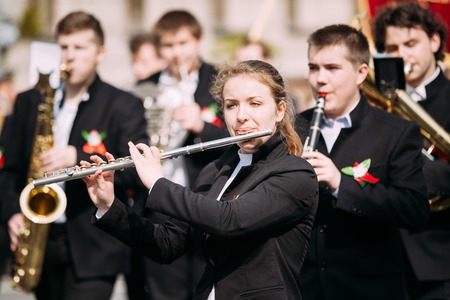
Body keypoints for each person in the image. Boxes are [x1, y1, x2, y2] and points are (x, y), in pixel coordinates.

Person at [81, 59, 318, 299]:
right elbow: (167, 244)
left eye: (255, 104)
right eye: (231, 105)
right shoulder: (215, 171)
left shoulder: (295, 173)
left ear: (279, 111)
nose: (241, 116)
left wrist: (158, 184)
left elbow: (230, 220)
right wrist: (108, 205)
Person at [0, 11, 148, 300]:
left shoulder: (123, 104)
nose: (70, 56)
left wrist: (76, 156)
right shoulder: (31, 100)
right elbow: (10, 168)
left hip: (95, 244)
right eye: (64, 47)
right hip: (39, 239)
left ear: (100, 52)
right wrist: (12, 213)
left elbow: (136, 167)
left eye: (80, 48)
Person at [297, 24, 430, 300]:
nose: (320, 79)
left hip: (368, 289)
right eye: (313, 68)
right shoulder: (293, 128)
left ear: (361, 74)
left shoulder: (396, 132)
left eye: (332, 68)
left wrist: (339, 185)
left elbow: (413, 210)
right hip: (304, 287)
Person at [128, 10, 229, 300]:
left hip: (208, 198)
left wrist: (202, 126)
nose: (176, 53)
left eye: (183, 43)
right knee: (164, 290)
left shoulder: (221, 82)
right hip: (161, 201)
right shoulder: (144, 88)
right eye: (168, 46)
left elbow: (240, 142)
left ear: (198, 40)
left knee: (206, 286)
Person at [372, 2, 450, 299]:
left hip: (439, 263)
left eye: (411, 43)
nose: (401, 55)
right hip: (383, 262)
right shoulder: (376, 105)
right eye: (392, 47)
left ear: (434, 41)